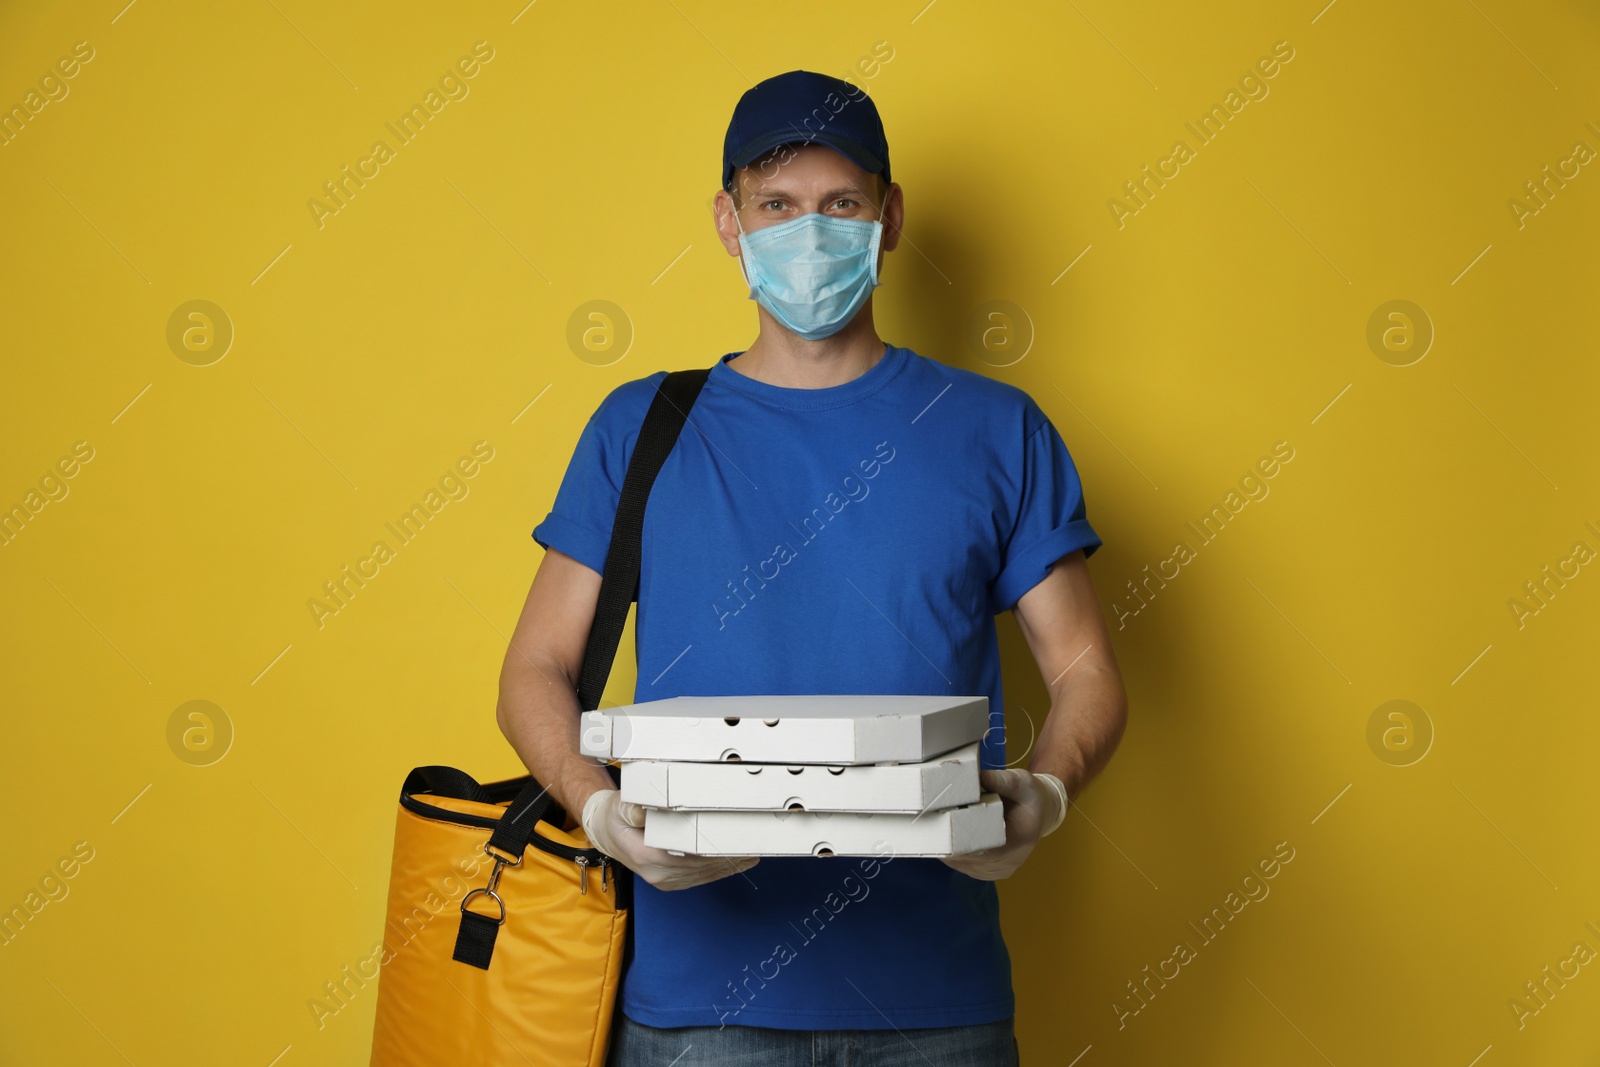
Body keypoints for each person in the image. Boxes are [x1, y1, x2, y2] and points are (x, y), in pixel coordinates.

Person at [497, 69, 1128, 1067]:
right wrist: (598, 808)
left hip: (938, 1000)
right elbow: (534, 665)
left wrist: (1043, 794)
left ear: (889, 217)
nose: (809, 232)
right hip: (700, 1005)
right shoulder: (641, 429)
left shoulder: (997, 429)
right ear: (727, 218)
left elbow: (1086, 668)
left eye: (839, 204)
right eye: (777, 206)